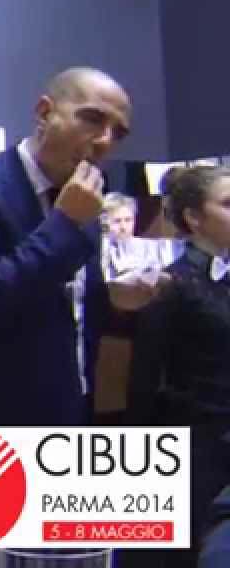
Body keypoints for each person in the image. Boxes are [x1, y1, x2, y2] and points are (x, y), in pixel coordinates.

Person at [0, 67, 147, 428]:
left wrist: (118, 303)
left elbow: (69, 309)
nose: (105, 141)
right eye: (93, 119)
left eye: (118, 133)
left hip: (68, 412)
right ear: (45, 113)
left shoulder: (86, 197)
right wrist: (64, 224)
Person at [129, 166, 230, 554]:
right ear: (194, 217)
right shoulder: (170, 286)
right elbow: (145, 379)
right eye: (227, 204)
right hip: (197, 450)